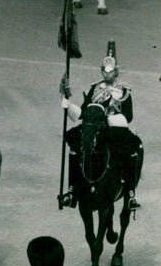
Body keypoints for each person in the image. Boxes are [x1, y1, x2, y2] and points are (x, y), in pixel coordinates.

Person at [61, 39, 143, 211]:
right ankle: (72, 190)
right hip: (94, 126)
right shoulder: (94, 88)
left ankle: (130, 194)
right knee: (74, 141)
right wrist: (67, 103)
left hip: (114, 128)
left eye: (110, 71)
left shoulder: (124, 91)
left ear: (116, 71)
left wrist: (109, 118)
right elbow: (84, 111)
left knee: (132, 146)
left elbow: (128, 116)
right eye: (104, 71)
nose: (107, 74)